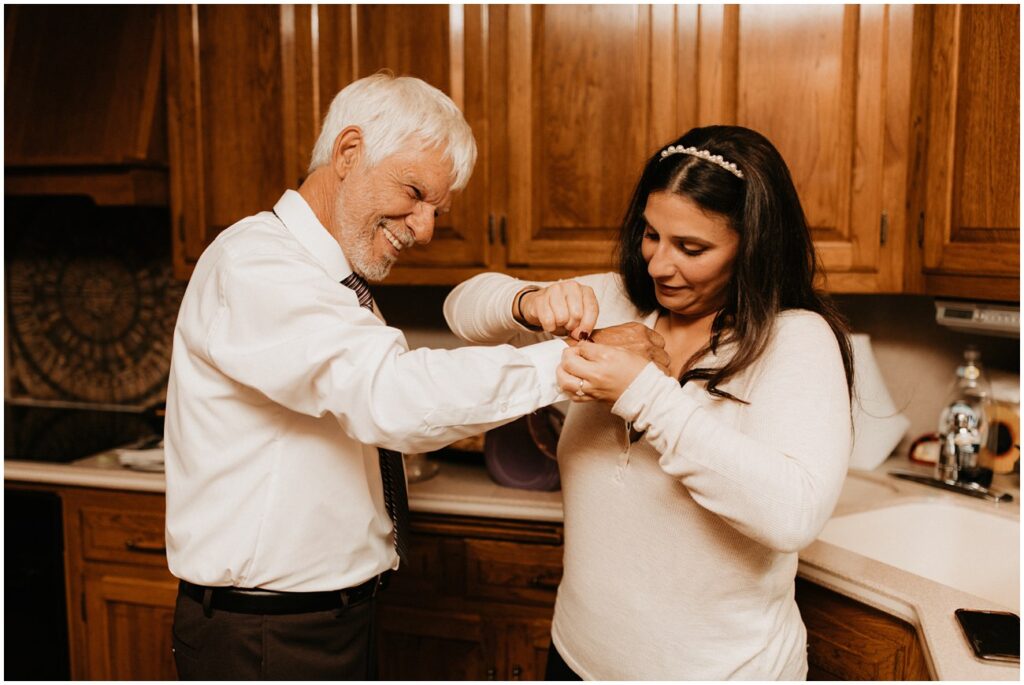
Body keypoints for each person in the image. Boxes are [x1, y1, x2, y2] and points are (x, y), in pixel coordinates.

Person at [163, 72, 666, 680]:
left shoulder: (329, 278)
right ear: (349, 153)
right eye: (414, 192)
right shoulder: (258, 265)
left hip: (327, 618)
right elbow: (392, 395)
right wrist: (578, 364)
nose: (424, 228)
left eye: (438, 209)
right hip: (265, 638)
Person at [444, 125, 855, 680]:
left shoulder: (796, 339)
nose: (660, 265)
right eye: (651, 235)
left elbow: (792, 516)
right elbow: (462, 310)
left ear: (752, 246)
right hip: (576, 658)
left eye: (692, 248)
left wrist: (641, 394)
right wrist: (528, 300)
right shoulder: (614, 300)